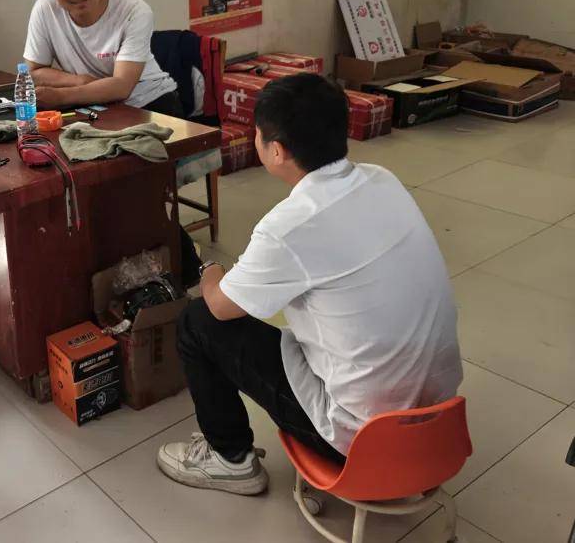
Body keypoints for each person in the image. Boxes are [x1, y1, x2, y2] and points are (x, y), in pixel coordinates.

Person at [157, 74, 462, 494]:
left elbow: (221, 308)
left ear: (276, 150)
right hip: (438, 420)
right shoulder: (382, 179)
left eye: (258, 134)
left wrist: (209, 268)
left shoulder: (289, 226)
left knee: (197, 321)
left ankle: (230, 458)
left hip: (362, 441)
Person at [23, 0, 182, 116]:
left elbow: (122, 86)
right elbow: (34, 72)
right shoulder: (45, 9)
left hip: (148, 102)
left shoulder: (134, 11)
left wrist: (60, 96)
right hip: (90, 105)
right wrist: (79, 81)